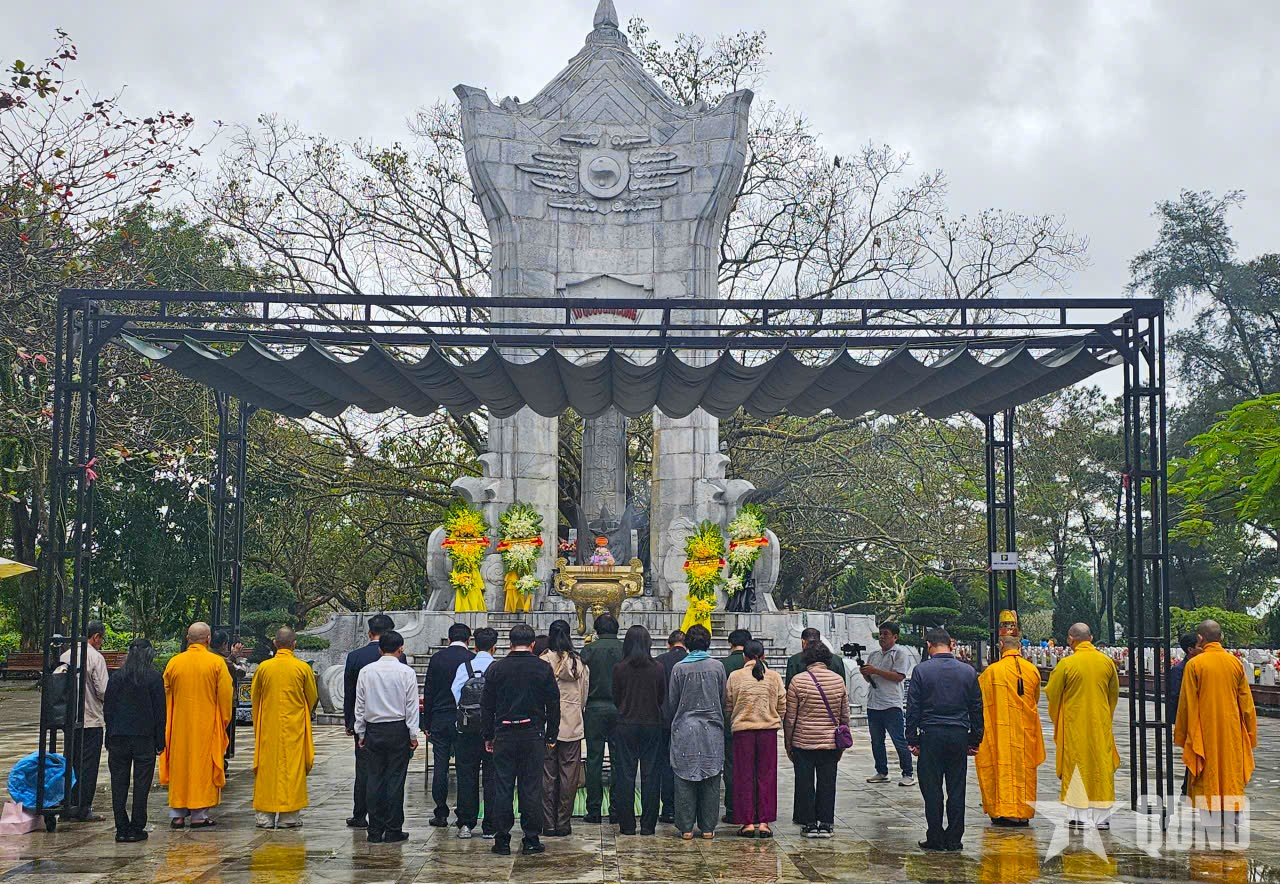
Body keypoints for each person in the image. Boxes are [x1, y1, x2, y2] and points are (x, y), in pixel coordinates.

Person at [481, 623, 560, 856]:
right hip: (532, 734)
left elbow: (487, 706)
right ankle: (531, 837)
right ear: (532, 644)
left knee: (503, 786)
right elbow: (553, 704)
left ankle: (502, 839)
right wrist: (551, 734)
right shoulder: (542, 668)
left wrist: (488, 735)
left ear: (510, 643)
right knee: (531, 787)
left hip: (504, 733)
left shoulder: (497, 668)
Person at [906, 627, 983, 852]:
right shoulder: (968, 671)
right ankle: (954, 838)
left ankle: (935, 836)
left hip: (931, 735)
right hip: (958, 734)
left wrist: (912, 739)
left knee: (932, 789)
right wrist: (975, 739)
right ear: (950, 644)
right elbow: (976, 708)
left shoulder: (921, 671)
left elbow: (913, 708)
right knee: (957, 788)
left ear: (928, 645)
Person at [1174, 619, 1258, 821]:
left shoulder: (1194, 665)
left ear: (1200, 638)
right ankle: (1231, 815)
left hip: (1204, 731)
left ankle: (1211, 817)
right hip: (1232, 731)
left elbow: (1186, 704)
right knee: (1230, 771)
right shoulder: (1235, 663)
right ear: (1221, 637)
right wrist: (1250, 733)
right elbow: (1247, 704)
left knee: (1208, 772)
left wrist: (1183, 734)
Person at [1043, 622, 1120, 831]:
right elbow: (1113, 695)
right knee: (1101, 766)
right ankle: (1102, 818)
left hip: (1074, 725)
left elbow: (1052, 694)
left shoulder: (1067, 664)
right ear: (1091, 638)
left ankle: (1079, 817)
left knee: (1076, 765)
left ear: (1071, 640)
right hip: (1100, 724)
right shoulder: (1106, 662)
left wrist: (1059, 717)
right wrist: (1104, 716)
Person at [160, 622, 234, 828]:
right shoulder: (216, 663)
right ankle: (199, 815)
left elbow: (166, 693)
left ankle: (177, 815)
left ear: (187, 639)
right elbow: (225, 696)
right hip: (206, 726)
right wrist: (222, 721)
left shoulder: (175, 663)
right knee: (201, 767)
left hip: (179, 727)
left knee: (181, 767)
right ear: (208, 639)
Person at [354, 629, 420, 843]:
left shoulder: (366, 672)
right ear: (401, 649)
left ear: (380, 649)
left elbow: (360, 705)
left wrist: (360, 732)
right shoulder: (406, 672)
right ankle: (393, 828)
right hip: (397, 729)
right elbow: (412, 707)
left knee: (374, 778)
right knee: (395, 779)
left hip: (374, 729)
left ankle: (374, 829)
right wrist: (413, 734)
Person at [251, 627, 319, 829]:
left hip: (269, 726)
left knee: (267, 768)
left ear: (274, 643)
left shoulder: (264, 667)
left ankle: (264, 816)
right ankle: (289, 816)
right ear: (294, 645)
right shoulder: (302, 668)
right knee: (292, 769)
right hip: (294, 727)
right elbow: (312, 696)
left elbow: (255, 696)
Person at [975, 635, 1044, 827]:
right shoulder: (1032, 670)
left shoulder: (992, 672)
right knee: (1024, 771)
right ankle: (1023, 812)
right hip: (1025, 731)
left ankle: (1004, 811)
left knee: (1002, 768)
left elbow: (980, 700)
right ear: (1019, 646)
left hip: (1000, 730)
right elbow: (1035, 699)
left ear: (1001, 646)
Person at [784, 640, 849, 839]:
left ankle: (809, 823)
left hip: (803, 741)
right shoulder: (838, 681)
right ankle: (826, 823)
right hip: (830, 741)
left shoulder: (798, 681)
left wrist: (788, 742)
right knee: (828, 783)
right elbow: (844, 715)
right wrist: (842, 742)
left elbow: (790, 717)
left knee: (805, 783)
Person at [667, 624, 727, 841]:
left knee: (684, 778)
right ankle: (708, 827)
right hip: (712, 730)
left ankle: (686, 828)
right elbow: (723, 698)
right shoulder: (718, 667)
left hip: (684, 729)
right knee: (711, 778)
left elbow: (673, 701)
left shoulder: (679, 669)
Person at [103, 638, 165, 842]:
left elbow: (108, 709)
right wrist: (160, 741)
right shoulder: (154, 678)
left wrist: (109, 735)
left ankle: (121, 827)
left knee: (118, 783)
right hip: (144, 738)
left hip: (118, 737)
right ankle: (137, 826)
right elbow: (160, 713)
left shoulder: (116, 677)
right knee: (141, 784)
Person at [726, 639, 785, 838]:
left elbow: (728, 704)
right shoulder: (774, 677)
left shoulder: (735, 676)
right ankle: (764, 822)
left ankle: (748, 822)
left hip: (743, 731)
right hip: (768, 731)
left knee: (743, 776)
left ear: (744, 656)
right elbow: (782, 703)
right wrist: (774, 717)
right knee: (767, 775)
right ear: (764, 655)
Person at [343, 612, 397, 828]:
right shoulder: (398, 657)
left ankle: (360, 814)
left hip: (363, 720)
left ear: (369, 633)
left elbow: (350, 693)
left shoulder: (355, 657)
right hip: (393, 723)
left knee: (364, 769)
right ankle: (386, 814)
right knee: (389, 770)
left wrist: (350, 721)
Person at [612, 624, 666, 836]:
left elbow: (616, 696)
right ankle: (648, 825)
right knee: (651, 775)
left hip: (626, 724)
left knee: (625, 774)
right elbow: (661, 697)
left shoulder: (620, 668)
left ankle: (627, 825)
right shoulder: (658, 668)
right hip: (651, 723)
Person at [541, 619, 589, 838]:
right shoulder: (578, 663)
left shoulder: (543, 661)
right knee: (569, 774)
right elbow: (584, 695)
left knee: (547, 773)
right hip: (572, 723)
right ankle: (563, 822)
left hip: (546, 724)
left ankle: (548, 823)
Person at [424, 622, 475, 827]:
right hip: (465, 719)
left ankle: (440, 812)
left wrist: (426, 722)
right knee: (465, 768)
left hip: (440, 717)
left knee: (440, 766)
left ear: (448, 639)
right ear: (469, 640)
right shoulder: (471, 659)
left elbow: (429, 691)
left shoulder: (437, 659)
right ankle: (463, 813)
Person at [59, 620, 109, 822]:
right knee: (88, 766)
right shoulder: (95, 657)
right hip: (91, 719)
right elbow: (103, 690)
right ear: (96, 637)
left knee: (70, 762)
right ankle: (83, 807)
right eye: (101, 639)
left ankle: (67, 803)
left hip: (69, 719)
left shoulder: (66, 655)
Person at [452, 626, 499, 839]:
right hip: (493, 731)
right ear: (494, 647)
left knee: (466, 776)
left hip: (467, 729)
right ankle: (490, 825)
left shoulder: (465, 667)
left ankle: (466, 824)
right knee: (492, 777)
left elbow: (456, 693)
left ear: (475, 646)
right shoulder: (497, 667)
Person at [580, 612, 624, 823]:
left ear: (597, 630)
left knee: (594, 759)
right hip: (619, 708)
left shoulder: (589, 649)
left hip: (594, 707)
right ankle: (616, 809)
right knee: (618, 759)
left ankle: (594, 809)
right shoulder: (624, 649)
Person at [862, 621, 915, 787]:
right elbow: (870, 679)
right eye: (880, 634)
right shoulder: (874, 655)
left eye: (886, 634)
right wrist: (866, 673)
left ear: (895, 637)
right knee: (876, 741)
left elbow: (899, 676)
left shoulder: (900, 654)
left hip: (891, 704)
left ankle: (908, 773)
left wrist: (875, 670)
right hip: (874, 703)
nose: (882, 637)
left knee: (899, 740)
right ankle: (881, 771)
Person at [654, 629, 688, 823]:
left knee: (665, 763)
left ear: (668, 644)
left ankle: (667, 808)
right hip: (686, 719)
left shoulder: (659, 661)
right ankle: (684, 808)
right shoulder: (691, 661)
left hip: (663, 719)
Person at [720, 628, 751, 822]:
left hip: (730, 722)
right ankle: (750, 808)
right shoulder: (760, 665)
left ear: (730, 644)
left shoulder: (723, 664)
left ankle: (732, 808)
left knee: (731, 766)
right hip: (755, 723)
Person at [1167, 631, 1201, 797]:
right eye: (1199, 645)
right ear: (1190, 650)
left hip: (1201, 717)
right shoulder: (1179, 670)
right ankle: (1186, 787)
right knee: (1193, 751)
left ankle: (1190, 786)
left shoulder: (1200, 666)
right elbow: (1175, 696)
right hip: (1188, 717)